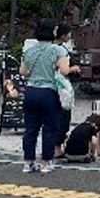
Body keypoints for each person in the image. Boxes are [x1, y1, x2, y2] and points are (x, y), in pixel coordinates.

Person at [20, 19, 80, 174]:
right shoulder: (57, 50)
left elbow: (23, 72)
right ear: (52, 31)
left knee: (30, 129)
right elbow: (64, 71)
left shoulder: (29, 50)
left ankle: (28, 162)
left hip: (30, 91)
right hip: (49, 92)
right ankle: (46, 162)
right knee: (49, 128)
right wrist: (74, 68)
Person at [53, 23, 75, 159]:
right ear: (63, 35)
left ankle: (52, 146)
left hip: (50, 85)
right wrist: (75, 68)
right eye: (69, 33)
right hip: (61, 87)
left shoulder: (48, 47)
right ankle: (57, 148)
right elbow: (64, 70)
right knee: (63, 116)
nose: (70, 36)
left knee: (53, 117)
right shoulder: (61, 50)